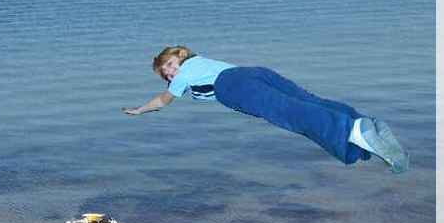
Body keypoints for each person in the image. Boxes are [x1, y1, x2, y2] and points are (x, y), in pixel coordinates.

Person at [122, 46, 410, 173]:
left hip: (232, 86)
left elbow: (163, 101)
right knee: (307, 100)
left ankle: (352, 131)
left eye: (170, 66)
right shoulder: (202, 64)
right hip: (255, 72)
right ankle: (362, 128)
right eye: (166, 74)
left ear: (181, 55)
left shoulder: (187, 69)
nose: (171, 74)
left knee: (288, 113)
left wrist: (140, 110)